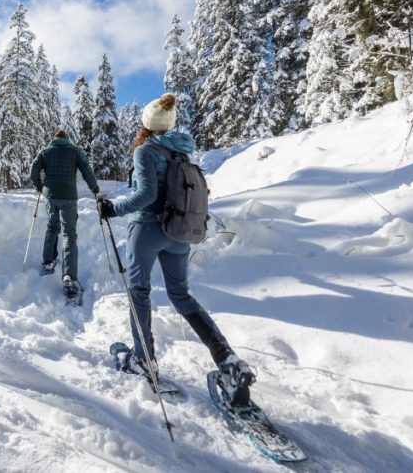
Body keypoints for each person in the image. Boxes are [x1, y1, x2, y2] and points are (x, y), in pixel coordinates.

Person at [97, 93, 256, 405]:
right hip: (180, 233)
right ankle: (227, 360)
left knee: (139, 291)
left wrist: (112, 208)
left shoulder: (145, 151)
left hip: (148, 230)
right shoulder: (182, 154)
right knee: (181, 296)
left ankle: (143, 358)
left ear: (147, 122)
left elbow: (144, 195)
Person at [29, 130, 100, 300]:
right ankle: (69, 277)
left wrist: (39, 186)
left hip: (50, 196)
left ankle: (48, 262)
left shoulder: (45, 151)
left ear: (54, 138)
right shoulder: (75, 151)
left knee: (52, 227)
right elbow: (86, 171)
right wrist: (94, 188)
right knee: (69, 233)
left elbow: (34, 170)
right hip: (68, 197)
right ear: (67, 138)